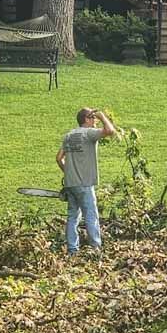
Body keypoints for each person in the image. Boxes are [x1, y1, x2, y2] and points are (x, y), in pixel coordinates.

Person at [56, 107, 116, 254]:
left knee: (73, 217)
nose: (95, 120)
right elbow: (110, 131)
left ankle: (72, 250)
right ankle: (96, 249)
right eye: (93, 117)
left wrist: (68, 173)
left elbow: (58, 158)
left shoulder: (69, 135)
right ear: (87, 119)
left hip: (71, 183)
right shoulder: (88, 133)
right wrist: (102, 117)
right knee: (91, 214)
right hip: (84, 183)